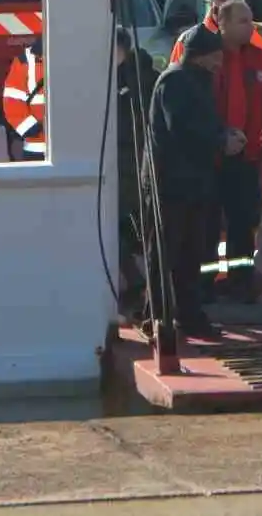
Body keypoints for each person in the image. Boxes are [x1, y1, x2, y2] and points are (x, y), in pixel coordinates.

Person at [148, 27, 246, 340]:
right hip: (171, 183)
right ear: (203, 56)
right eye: (217, 56)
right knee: (168, 251)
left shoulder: (198, 81)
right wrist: (220, 141)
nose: (221, 63)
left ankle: (188, 315)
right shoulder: (176, 81)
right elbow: (182, 128)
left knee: (191, 252)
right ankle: (159, 316)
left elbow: (204, 123)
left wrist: (226, 133)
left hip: (194, 182)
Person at [210, 0, 262, 304]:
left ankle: (241, 282)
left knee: (243, 223)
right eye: (242, 21)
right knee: (207, 224)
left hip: (248, 158)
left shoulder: (260, 60)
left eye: (251, 20)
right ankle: (205, 285)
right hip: (210, 159)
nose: (250, 26)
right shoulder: (208, 58)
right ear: (222, 23)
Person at [115, 26, 161, 318]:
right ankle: (147, 288)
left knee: (124, 230)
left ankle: (139, 287)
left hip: (128, 167)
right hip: (139, 165)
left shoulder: (128, 80)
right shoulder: (152, 76)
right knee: (141, 231)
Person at [171, 0, 262, 86]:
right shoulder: (188, 41)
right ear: (211, 6)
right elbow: (174, 84)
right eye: (217, 10)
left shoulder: (259, 35)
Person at [1, 37, 46, 160]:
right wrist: (30, 129)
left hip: (74, 145)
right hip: (37, 147)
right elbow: (12, 100)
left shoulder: (79, 57)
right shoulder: (25, 60)